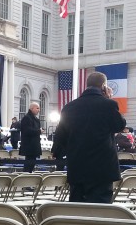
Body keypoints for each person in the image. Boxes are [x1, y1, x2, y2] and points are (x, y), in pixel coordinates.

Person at [52, 71, 126, 203]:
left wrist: (74, 150)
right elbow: (120, 126)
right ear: (103, 86)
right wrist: (108, 99)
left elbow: (60, 137)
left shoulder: (69, 107)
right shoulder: (108, 105)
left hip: (77, 167)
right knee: (100, 211)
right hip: (102, 169)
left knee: (77, 209)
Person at [18, 102, 42, 173]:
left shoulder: (36, 119)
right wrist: (39, 131)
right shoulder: (26, 118)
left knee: (32, 165)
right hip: (29, 146)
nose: (39, 110)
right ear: (32, 108)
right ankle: (26, 181)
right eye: (37, 108)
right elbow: (27, 131)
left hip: (34, 146)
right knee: (28, 166)